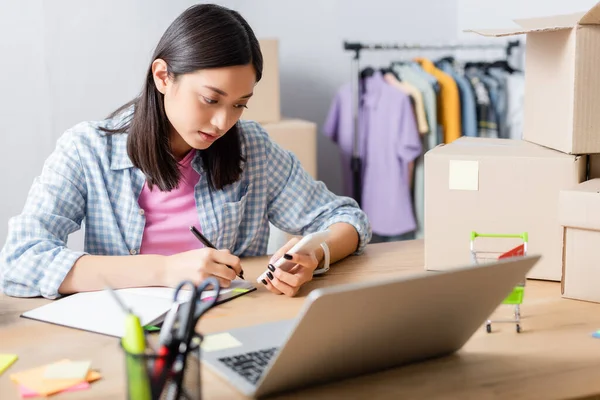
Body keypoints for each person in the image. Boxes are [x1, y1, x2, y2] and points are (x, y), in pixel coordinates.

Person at [0, 4, 371, 300]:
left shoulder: (252, 147)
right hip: (129, 333)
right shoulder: (86, 150)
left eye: (240, 104)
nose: (223, 121)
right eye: (210, 99)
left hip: (231, 323)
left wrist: (314, 254)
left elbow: (345, 218)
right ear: (163, 77)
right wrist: (163, 271)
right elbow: (20, 261)